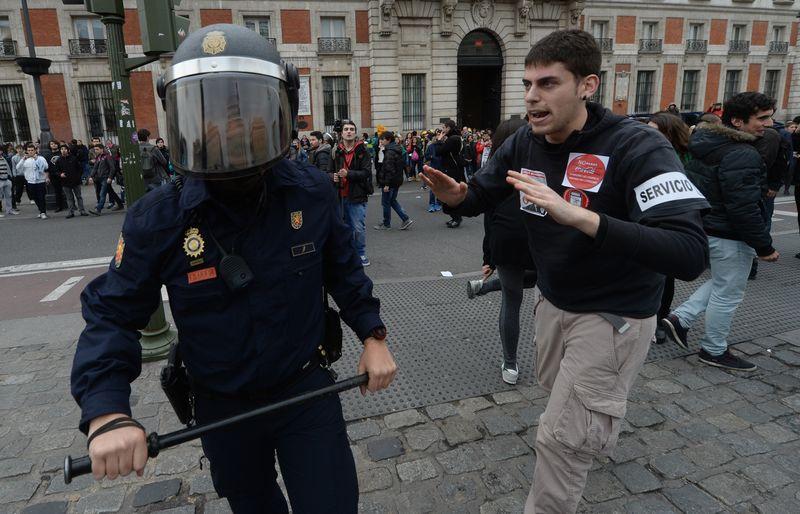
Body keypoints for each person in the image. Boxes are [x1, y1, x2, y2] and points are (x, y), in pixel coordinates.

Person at [70, 24, 397, 514]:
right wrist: (107, 412)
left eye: (246, 108)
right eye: (213, 113)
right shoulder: (158, 218)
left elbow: (344, 270)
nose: (231, 129)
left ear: (278, 110)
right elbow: (113, 313)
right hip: (223, 403)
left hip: (303, 387)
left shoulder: (310, 192)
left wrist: (374, 336)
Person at [421, 30, 709, 513]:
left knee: (559, 439)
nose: (532, 96)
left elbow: (688, 252)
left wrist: (584, 219)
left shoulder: (638, 146)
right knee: (562, 399)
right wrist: (459, 197)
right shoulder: (524, 144)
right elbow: (483, 195)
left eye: (548, 83)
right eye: (528, 83)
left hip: (613, 314)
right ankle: (590, 433)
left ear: (587, 85)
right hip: (552, 302)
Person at [663, 92, 779, 371]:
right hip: (729, 233)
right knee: (728, 292)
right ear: (738, 121)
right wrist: (764, 246)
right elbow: (743, 206)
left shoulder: (706, 143)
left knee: (722, 283)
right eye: (761, 118)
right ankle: (713, 349)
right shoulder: (742, 153)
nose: (768, 123)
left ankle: (681, 318)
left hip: (706, 225)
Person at [465, 117, 536, 385]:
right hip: (535, 239)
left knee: (512, 297)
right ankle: (512, 360)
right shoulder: (538, 166)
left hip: (507, 241)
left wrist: (488, 258)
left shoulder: (494, 172)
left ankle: (510, 362)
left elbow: (488, 219)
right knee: (531, 290)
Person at [646, 112, 692, 343]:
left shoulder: (685, 159)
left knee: (665, 278)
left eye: (655, 130)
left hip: (671, 225)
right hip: (646, 223)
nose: (647, 133)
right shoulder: (640, 153)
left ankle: (659, 320)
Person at [329, 120, 374, 267]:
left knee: (358, 227)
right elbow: (329, 170)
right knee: (344, 227)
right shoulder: (336, 151)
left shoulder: (363, 151)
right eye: (346, 129)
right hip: (340, 195)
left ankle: (360, 253)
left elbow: (366, 172)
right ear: (341, 133)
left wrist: (348, 174)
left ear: (355, 133)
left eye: (352, 129)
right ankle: (349, 253)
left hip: (357, 195)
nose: (349, 131)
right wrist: (332, 176)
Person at [374, 131, 413, 231]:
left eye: (382, 139)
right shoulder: (395, 148)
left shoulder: (390, 152)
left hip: (390, 182)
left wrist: (386, 184)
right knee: (392, 200)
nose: (381, 141)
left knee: (386, 202)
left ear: (388, 140)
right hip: (396, 180)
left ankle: (387, 224)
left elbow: (389, 169)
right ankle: (405, 219)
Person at [436, 119, 465, 228]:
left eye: (444, 128)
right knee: (452, 192)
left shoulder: (452, 139)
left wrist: (439, 140)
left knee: (452, 193)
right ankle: (454, 217)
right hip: (454, 167)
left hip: (452, 168)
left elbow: (439, 151)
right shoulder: (455, 137)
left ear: (448, 128)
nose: (442, 130)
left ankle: (457, 218)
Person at [88, 144, 124, 215]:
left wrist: (110, 177)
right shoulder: (98, 157)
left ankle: (98, 209)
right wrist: (90, 176)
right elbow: (95, 168)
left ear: (102, 149)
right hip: (100, 178)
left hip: (106, 178)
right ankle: (120, 204)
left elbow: (112, 168)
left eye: (97, 149)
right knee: (111, 192)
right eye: (95, 149)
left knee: (102, 193)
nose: (95, 151)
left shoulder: (107, 156)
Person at [16, 142, 49, 219]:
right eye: (29, 150)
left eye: (32, 150)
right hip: (30, 182)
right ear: (26, 151)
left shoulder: (41, 158)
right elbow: (18, 168)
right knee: (35, 197)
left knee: (41, 197)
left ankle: (43, 212)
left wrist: (37, 159)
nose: (30, 152)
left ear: (35, 150)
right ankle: (41, 211)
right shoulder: (25, 160)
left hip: (40, 181)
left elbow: (46, 167)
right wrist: (22, 159)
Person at [0, 151, 13, 217]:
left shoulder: (3, 158)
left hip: (6, 180)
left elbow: (8, 168)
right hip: (0, 180)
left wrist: (9, 177)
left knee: (8, 196)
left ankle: (9, 210)